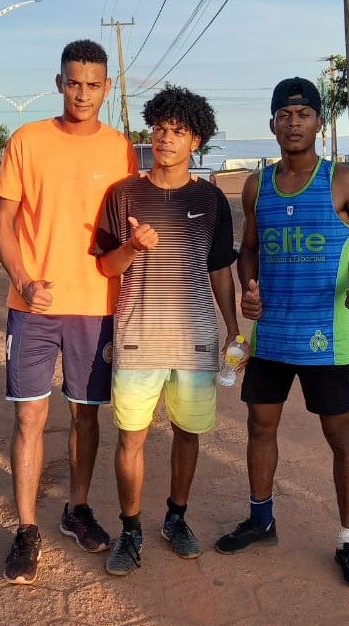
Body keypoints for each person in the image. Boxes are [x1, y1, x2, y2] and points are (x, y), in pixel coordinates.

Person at [214, 77, 349, 589]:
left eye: (304, 114)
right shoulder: (257, 186)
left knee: (341, 438)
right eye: (284, 115)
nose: (294, 123)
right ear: (272, 124)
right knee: (259, 427)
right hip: (271, 335)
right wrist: (248, 287)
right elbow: (249, 249)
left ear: (319, 122)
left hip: (326, 339)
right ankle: (261, 521)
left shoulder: (346, 181)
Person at [0, 39, 136, 585]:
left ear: (107, 88)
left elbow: (129, 229)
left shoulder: (121, 149)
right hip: (33, 305)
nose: (82, 93)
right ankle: (26, 529)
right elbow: (2, 222)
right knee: (29, 416)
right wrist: (23, 280)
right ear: (59, 83)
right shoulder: (27, 141)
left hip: (96, 306)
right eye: (73, 82)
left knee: (85, 414)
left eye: (93, 85)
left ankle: (76, 509)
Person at [93, 85, 239, 577]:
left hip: (194, 339)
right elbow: (107, 267)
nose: (165, 138)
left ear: (196, 141)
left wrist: (232, 328)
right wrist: (133, 246)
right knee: (130, 437)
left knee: (188, 434)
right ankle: (131, 530)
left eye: (178, 131)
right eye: (159, 128)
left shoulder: (211, 200)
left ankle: (176, 518)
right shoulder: (123, 195)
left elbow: (220, 270)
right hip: (137, 338)